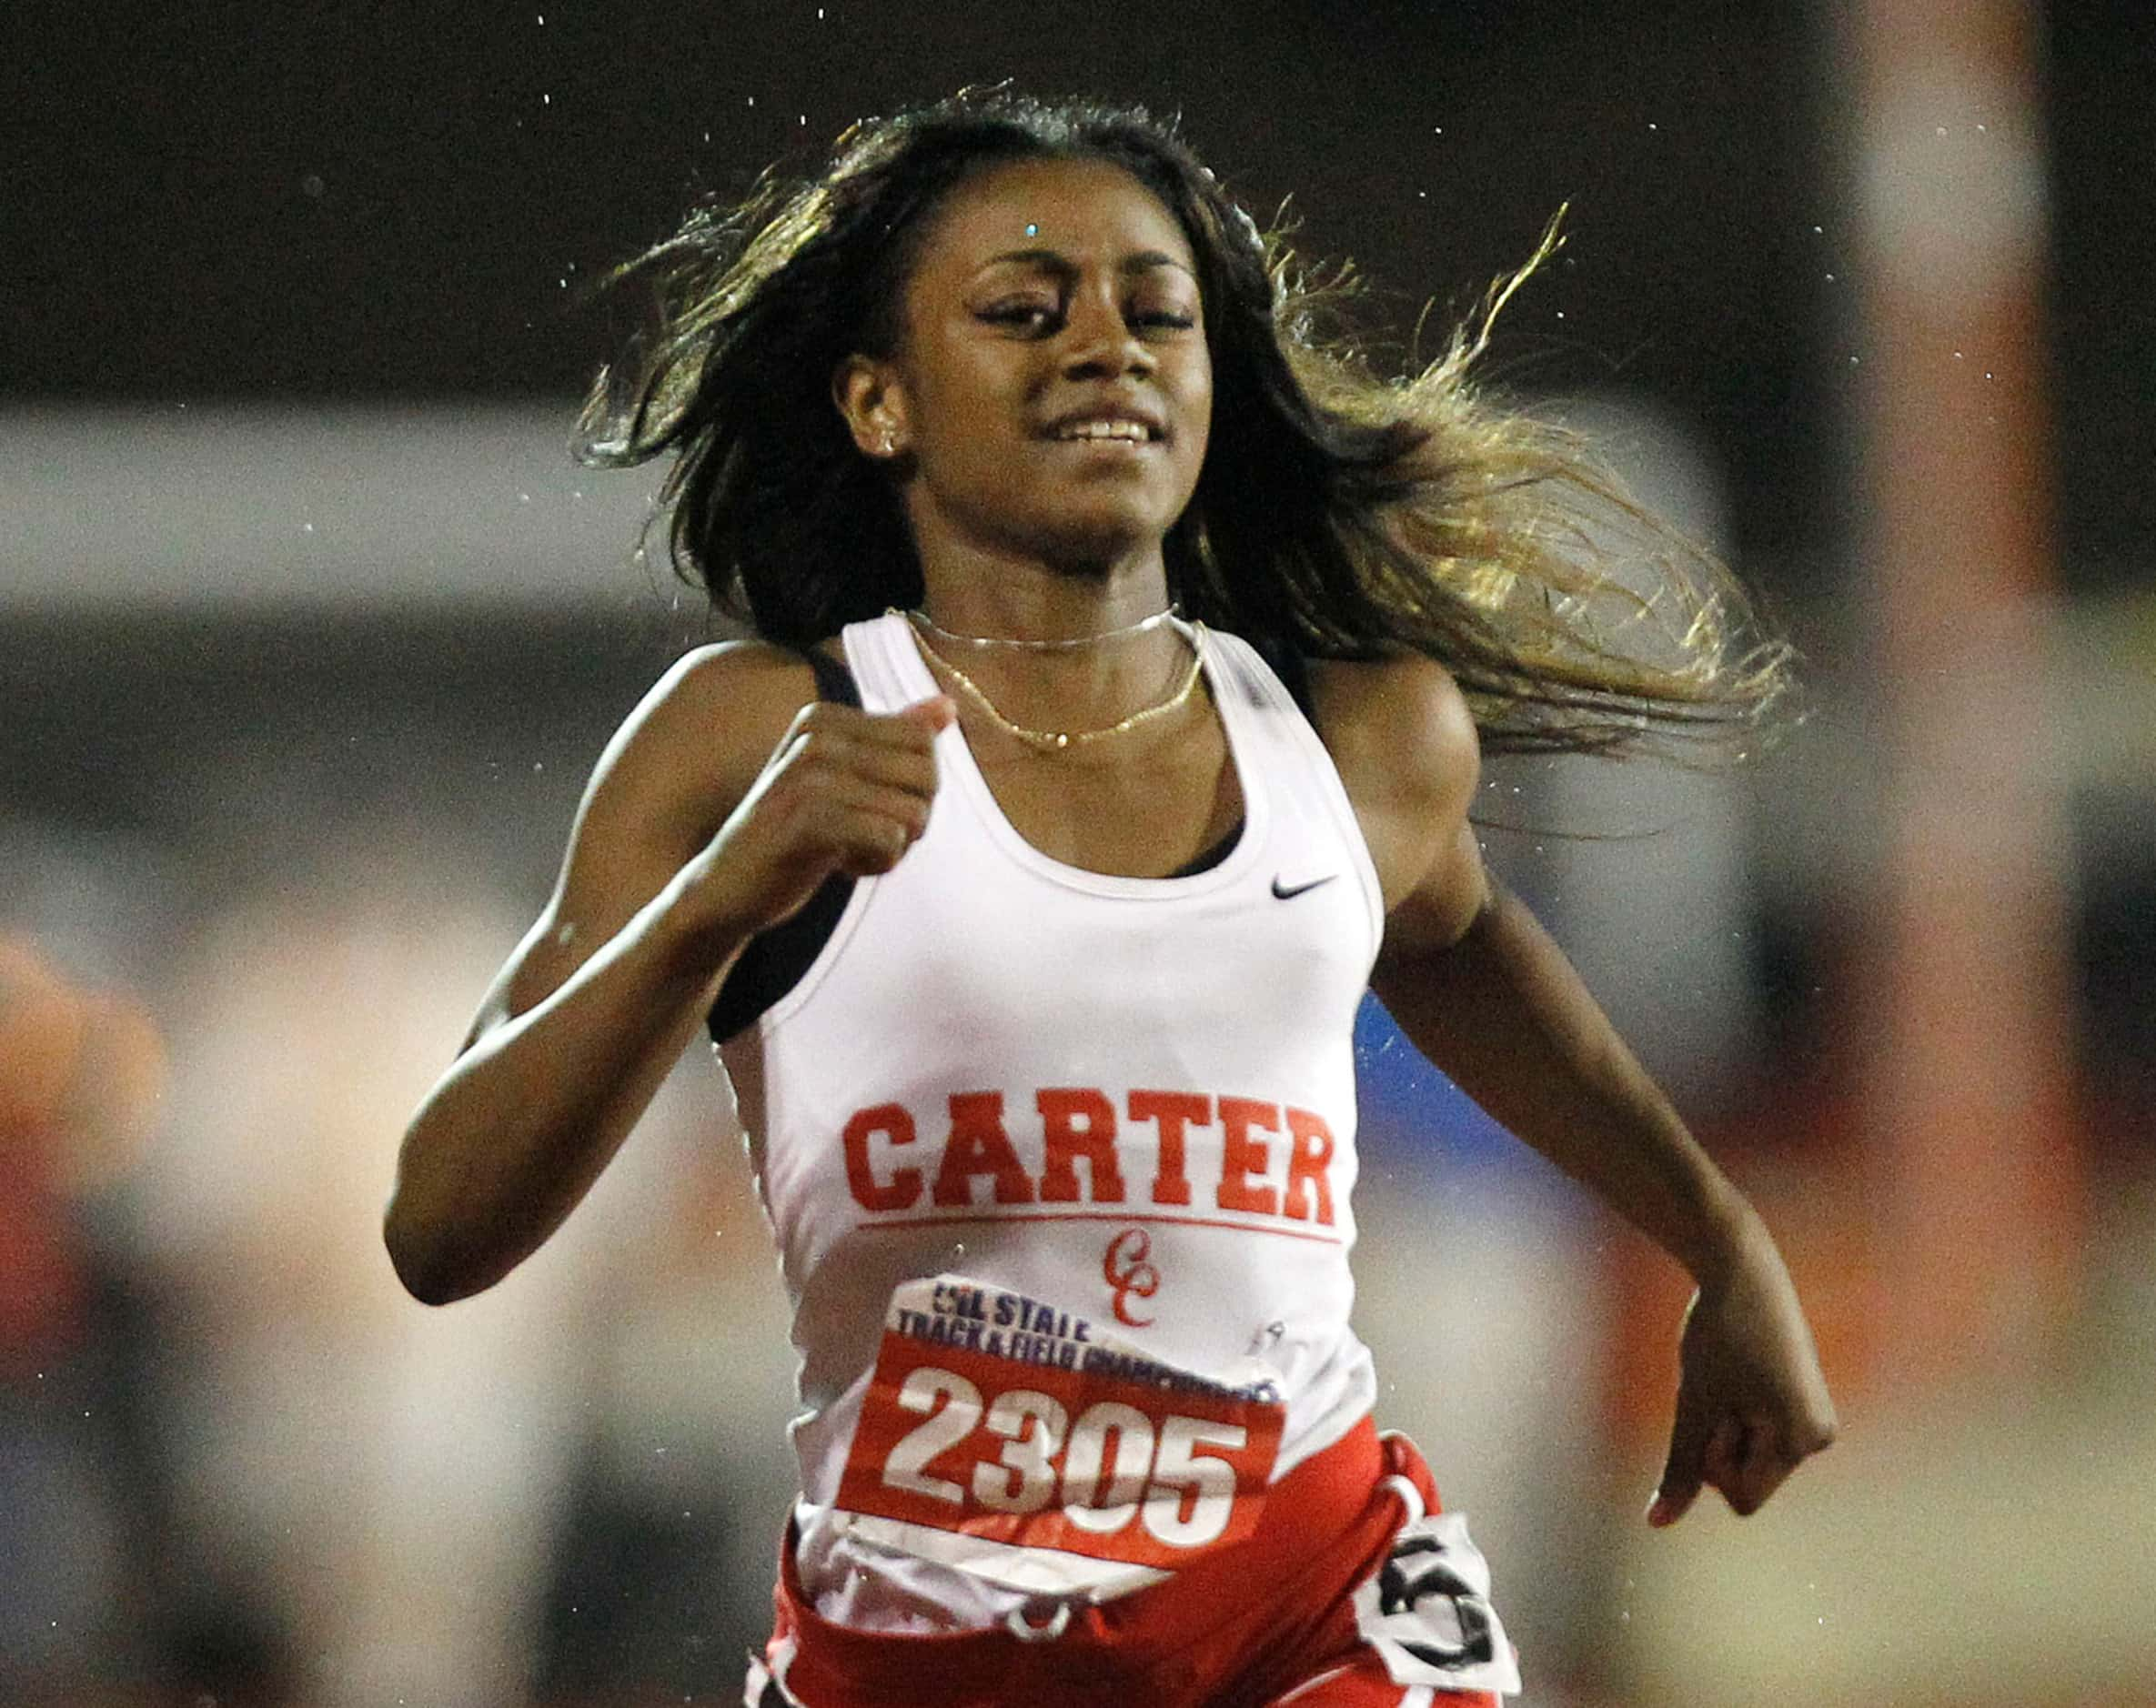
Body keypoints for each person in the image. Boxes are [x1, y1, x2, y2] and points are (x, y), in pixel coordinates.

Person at [384, 88, 1836, 1707]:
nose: (1107, 347)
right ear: (880, 403)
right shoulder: (756, 732)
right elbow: (440, 1230)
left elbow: (1462, 940)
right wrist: (719, 901)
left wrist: (1720, 1237)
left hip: (1312, 1605)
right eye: (1024, 310)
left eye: (1158, 314)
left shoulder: (1360, 740)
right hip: (917, 1652)